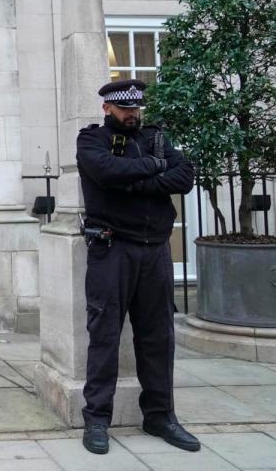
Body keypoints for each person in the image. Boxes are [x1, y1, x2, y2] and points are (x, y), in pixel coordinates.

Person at [77, 79, 200, 456]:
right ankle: (97, 419)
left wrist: (135, 177)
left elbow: (184, 177)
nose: (132, 114)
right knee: (105, 335)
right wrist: (152, 171)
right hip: (111, 248)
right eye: (124, 108)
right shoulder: (91, 140)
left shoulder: (157, 138)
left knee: (158, 337)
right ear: (107, 108)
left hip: (154, 250)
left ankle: (160, 415)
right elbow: (104, 173)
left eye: (136, 108)